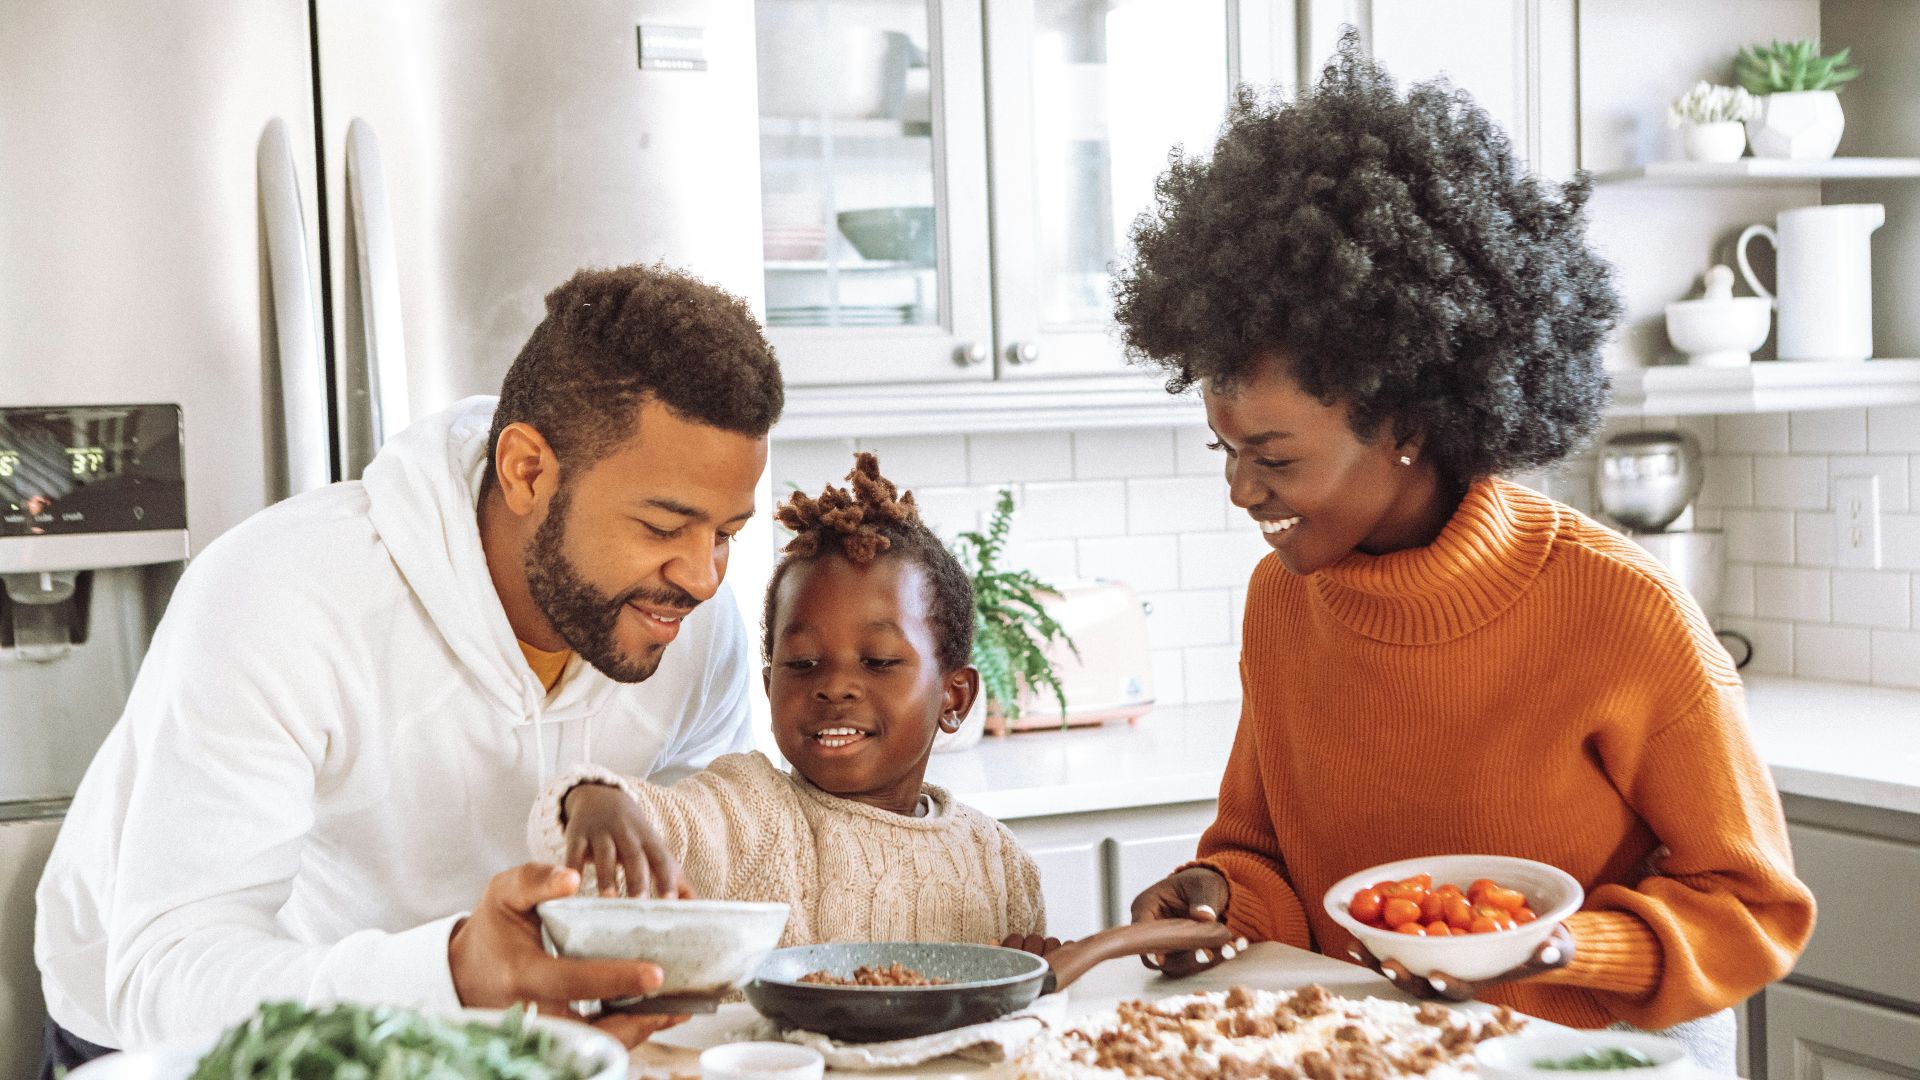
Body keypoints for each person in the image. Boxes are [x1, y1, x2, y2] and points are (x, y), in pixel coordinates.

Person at [1117, 36, 1814, 1071]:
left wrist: (1559, 945)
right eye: (1224, 448)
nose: (1238, 487)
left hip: (1584, 1052)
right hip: (1372, 1047)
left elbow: (1750, 907)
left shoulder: (1620, 611)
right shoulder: (1284, 600)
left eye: (1271, 455)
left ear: (1405, 420)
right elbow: (1260, 854)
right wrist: (1215, 894)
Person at [34, 263, 784, 1076]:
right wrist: (453, 973)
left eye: (727, 534)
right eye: (663, 525)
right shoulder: (281, 598)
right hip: (188, 1048)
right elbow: (163, 972)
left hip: (489, 1044)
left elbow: (682, 861)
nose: (704, 577)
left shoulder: (687, 629)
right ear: (527, 470)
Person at [529, 453, 1047, 947]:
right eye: (802, 664)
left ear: (954, 698)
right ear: (771, 683)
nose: (835, 686)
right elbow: (654, 827)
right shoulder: (749, 812)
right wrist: (592, 799)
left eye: (880, 661)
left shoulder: (1000, 864)